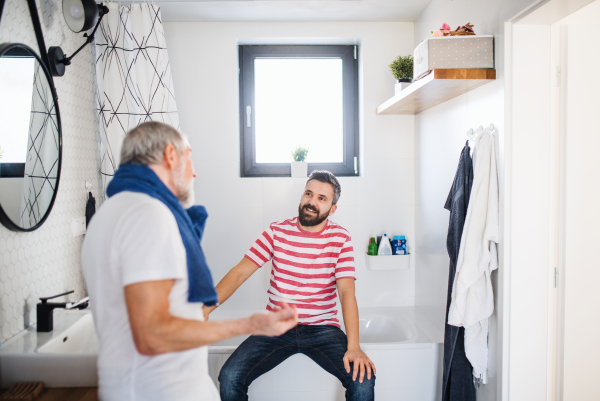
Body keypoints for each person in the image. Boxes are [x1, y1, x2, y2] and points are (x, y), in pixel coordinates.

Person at [81, 121, 298, 401]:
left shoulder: (109, 214)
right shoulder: (148, 214)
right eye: (189, 156)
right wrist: (251, 324)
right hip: (161, 391)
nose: (194, 172)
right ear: (171, 155)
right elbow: (152, 335)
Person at [204, 170, 376, 401]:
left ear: (332, 209)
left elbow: (346, 292)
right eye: (308, 194)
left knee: (362, 379)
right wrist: (205, 310)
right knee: (230, 376)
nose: (312, 202)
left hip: (322, 328)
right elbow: (239, 273)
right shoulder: (276, 232)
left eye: (321, 198)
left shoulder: (340, 239)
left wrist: (353, 346)